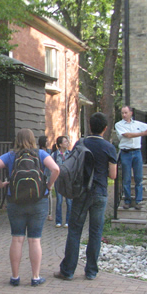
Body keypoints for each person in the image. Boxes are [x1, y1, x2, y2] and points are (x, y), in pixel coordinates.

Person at [53, 112, 117, 281]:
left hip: (81, 193)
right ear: (105, 128)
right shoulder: (109, 148)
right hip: (100, 193)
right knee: (95, 232)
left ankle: (67, 271)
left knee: (75, 230)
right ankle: (91, 271)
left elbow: (73, 166)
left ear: (90, 126)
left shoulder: (80, 143)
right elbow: (113, 175)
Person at [0, 129, 59, 287]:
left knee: (17, 238)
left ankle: (15, 277)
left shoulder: (11, 156)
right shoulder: (41, 154)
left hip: (15, 201)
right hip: (38, 201)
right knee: (35, 240)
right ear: (32, 140)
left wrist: (0, 184)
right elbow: (56, 169)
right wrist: (48, 186)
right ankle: (35, 277)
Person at [51, 136, 73, 228]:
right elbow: (51, 167)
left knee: (69, 201)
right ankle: (58, 221)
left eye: (67, 141)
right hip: (58, 180)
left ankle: (68, 221)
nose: (67, 143)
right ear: (60, 144)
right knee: (59, 201)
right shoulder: (55, 155)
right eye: (65, 141)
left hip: (68, 180)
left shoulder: (71, 154)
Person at [38, 136, 54, 222]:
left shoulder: (49, 152)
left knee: (49, 195)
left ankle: (50, 213)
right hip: (41, 176)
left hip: (48, 176)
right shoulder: (38, 152)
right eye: (47, 141)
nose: (48, 142)